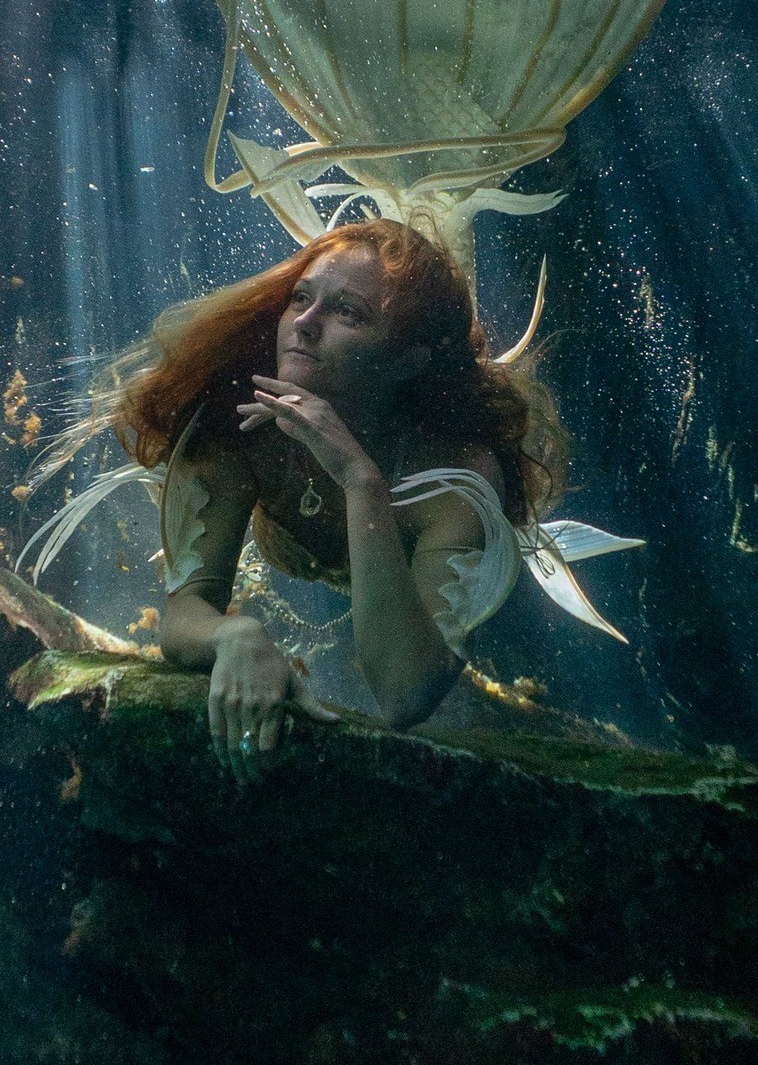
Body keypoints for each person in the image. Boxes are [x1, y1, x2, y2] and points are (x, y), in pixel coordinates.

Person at [105, 219, 566, 776]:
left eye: (347, 313)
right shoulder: (233, 420)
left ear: (407, 360)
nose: (303, 323)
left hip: (439, 596)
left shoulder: (455, 475)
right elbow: (183, 612)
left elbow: (404, 695)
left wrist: (360, 478)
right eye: (300, 298)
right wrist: (235, 634)